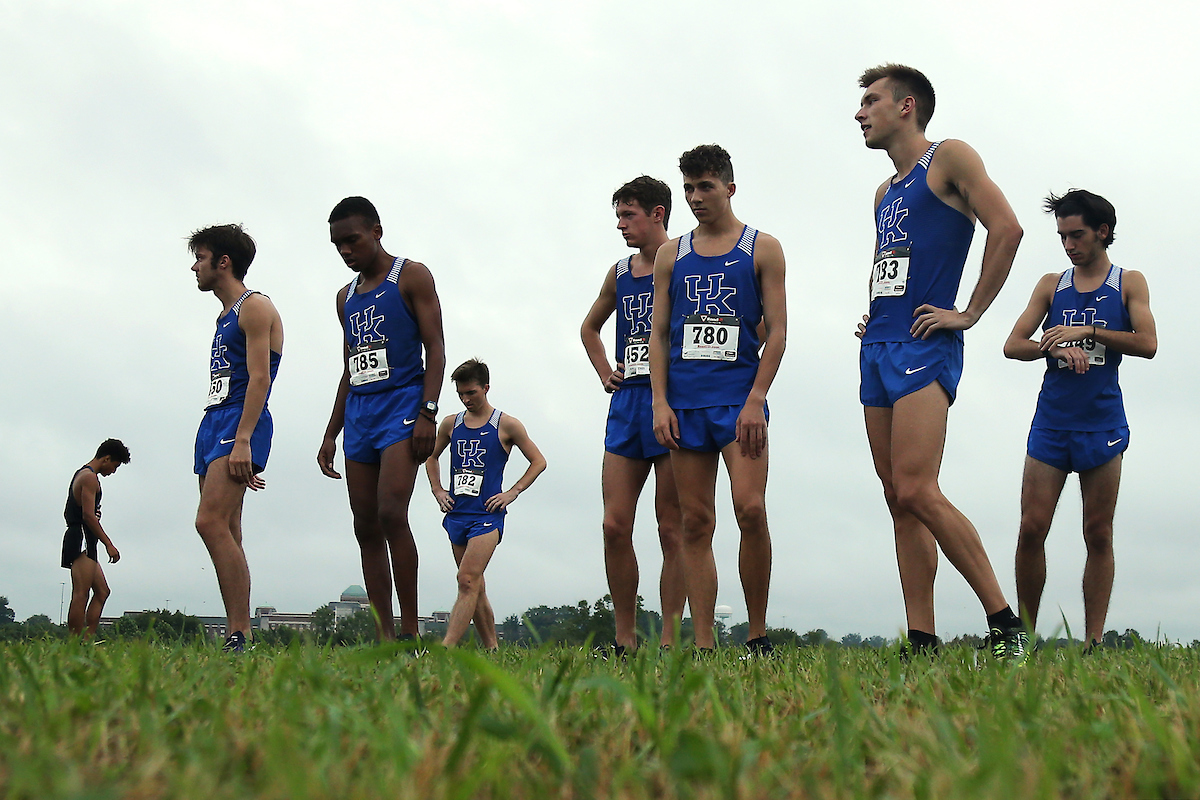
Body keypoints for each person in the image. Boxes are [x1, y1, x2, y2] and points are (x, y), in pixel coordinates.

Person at [853, 64, 1027, 658]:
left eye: (871, 101)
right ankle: (922, 637)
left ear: (906, 107)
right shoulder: (883, 193)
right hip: (879, 345)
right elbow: (893, 267)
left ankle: (1005, 623)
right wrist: (872, 314)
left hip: (926, 344)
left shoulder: (949, 157)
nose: (860, 113)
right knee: (896, 496)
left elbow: (1007, 229)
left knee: (919, 488)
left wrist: (970, 312)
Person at [649, 144, 787, 653]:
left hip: (738, 403)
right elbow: (659, 334)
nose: (695, 197)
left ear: (729, 187)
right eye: (688, 188)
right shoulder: (672, 253)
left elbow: (777, 332)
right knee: (696, 521)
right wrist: (659, 403)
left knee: (750, 509)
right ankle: (702, 640)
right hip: (685, 404)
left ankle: (757, 632)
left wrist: (757, 398)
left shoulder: (763, 247)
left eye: (705, 186)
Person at [1004, 190, 1156, 649]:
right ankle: (1024, 641)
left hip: (1103, 424)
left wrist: (1088, 331)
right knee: (1032, 527)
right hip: (1051, 423)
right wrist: (1052, 346)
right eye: (1062, 237)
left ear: (1102, 232)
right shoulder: (1052, 284)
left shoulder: (1128, 282)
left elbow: (1147, 343)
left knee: (1098, 533)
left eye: (1077, 235)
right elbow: (1014, 344)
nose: (1068, 245)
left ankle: (1091, 644)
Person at [318, 197, 446, 642]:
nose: (345, 251)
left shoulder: (411, 276)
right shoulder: (345, 298)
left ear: (376, 231)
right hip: (361, 416)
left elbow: (436, 349)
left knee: (392, 512)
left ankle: (410, 631)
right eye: (337, 245)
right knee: (364, 522)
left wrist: (428, 412)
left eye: (351, 240)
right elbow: (350, 367)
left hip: (404, 408)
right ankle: (384, 635)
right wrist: (331, 432)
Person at [580, 176, 686, 653]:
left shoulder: (688, 258)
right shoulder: (620, 272)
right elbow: (589, 327)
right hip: (627, 405)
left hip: (674, 403)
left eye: (629, 215)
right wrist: (606, 372)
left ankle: (668, 638)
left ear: (658, 213)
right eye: (618, 216)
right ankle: (625, 639)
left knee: (671, 527)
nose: (621, 225)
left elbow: (756, 320)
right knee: (614, 525)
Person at [191, 224, 284, 653]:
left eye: (201, 257)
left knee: (207, 521)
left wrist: (244, 438)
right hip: (213, 419)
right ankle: (236, 630)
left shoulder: (255, 306)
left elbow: (261, 377)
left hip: (239, 420)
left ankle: (242, 632)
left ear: (222, 262)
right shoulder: (221, 316)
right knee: (227, 527)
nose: (194, 266)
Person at [425, 359, 546, 649]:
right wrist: (438, 490)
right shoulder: (450, 424)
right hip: (457, 515)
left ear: (486, 388)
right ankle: (492, 648)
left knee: (466, 579)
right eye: (461, 395)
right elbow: (431, 457)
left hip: (487, 516)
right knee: (475, 586)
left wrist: (512, 492)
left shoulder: (506, 425)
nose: (467, 399)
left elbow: (538, 461)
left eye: (472, 393)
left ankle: (447, 647)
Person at [62, 439, 130, 638]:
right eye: (115, 466)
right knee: (81, 593)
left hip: (85, 538)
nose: (113, 471)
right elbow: (88, 517)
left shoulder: (83, 474)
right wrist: (109, 544)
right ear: (106, 458)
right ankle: (75, 644)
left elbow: (80, 511)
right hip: (81, 537)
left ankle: (87, 638)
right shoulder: (89, 478)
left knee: (102, 591)